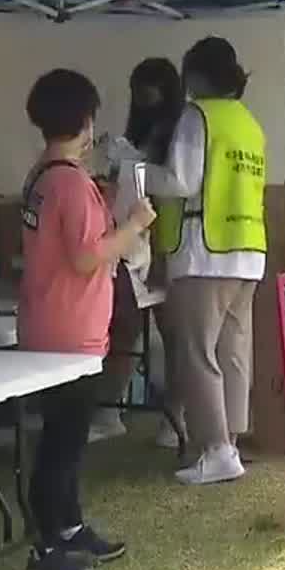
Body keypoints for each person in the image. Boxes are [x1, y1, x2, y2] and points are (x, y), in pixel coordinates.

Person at [18, 68, 157, 570]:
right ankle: (48, 543)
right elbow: (84, 257)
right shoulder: (70, 183)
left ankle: (68, 526)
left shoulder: (42, 175)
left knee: (63, 439)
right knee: (63, 442)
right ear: (85, 120)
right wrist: (134, 227)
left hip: (48, 322)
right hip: (69, 331)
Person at [145, 38, 267, 486]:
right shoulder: (248, 123)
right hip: (247, 250)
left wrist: (136, 170)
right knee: (233, 351)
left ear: (195, 76)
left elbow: (180, 181)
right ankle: (229, 442)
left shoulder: (198, 117)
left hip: (204, 251)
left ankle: (215, 449)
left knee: (196, 352)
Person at [112, 57, 185, 448]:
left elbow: (169, 184)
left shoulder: (177, 131)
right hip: (134, 241)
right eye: (137, 88)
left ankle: (175, 418)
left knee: (173, 336)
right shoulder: (141, 129)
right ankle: (112, 409)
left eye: (149, 88)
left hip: (166, 238)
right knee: (123, 327)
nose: (142, 96)